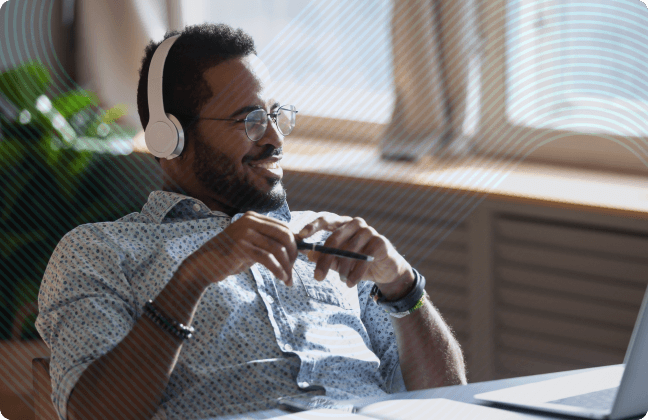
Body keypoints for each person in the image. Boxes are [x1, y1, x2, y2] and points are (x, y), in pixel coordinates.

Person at [36, 23, 466, 420]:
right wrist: (190, 280)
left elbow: (449, 405)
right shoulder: (99, 251)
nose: (276, 138)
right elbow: (94, 415)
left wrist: (404, 287)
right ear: (170, 137)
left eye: (277, 116)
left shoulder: (334, 239)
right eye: (251, 121)